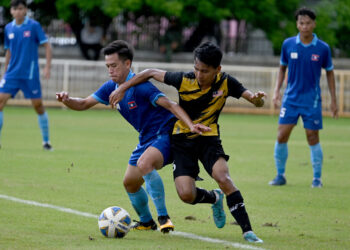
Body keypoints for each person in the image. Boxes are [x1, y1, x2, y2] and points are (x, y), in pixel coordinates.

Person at [109, 41, 266, 243]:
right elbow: (148, 72)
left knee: (223, 176)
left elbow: (254, 100)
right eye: (196, 69)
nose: (199, 75)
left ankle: (248, 231)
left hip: (209, 139)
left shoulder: (227, 83)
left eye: (205, 71)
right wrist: (123, 87)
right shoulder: (183, 79)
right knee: (186, 195)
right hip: (182, 141)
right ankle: (214, 198)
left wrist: (257, 99)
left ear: (218, 69)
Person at [56, 40, 210, 233]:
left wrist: (190, 125)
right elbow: (84, 103)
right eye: (107, 67)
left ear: (127, 64)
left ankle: (163, 217)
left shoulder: (141, 87)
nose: (110, 70)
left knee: (145, 164)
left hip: (167, 135)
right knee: (130, 182)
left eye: (114, 66)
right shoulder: (110, 87)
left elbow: (171, 105)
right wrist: (67, 100)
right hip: (147, 139)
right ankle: (147, 221)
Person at [269, 7, 338, 188]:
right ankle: (280, 175)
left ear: (314, 24)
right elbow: (282, 68)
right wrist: (277, 90)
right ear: (297, 24)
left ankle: (317, 178)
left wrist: (334, 100)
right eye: (301, 23)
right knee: (281, 135)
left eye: (308, 23)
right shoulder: (288, 44)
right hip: (290, 99)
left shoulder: (323, 48)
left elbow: (330, 73)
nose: (305, 26)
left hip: (311, 100)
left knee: (312, 137)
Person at [0, 0, 52, 150]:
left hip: (30, 75)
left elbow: (47, 45)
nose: (18, 11)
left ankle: (46, 141)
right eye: (15, 9)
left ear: (26, 10)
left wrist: (47, 67)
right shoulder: (9, 28)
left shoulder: (34, 26)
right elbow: (8, 51)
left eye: (21, 8)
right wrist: (5, 72)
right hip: (12, 75)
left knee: (38, 106)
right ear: (11, 11)